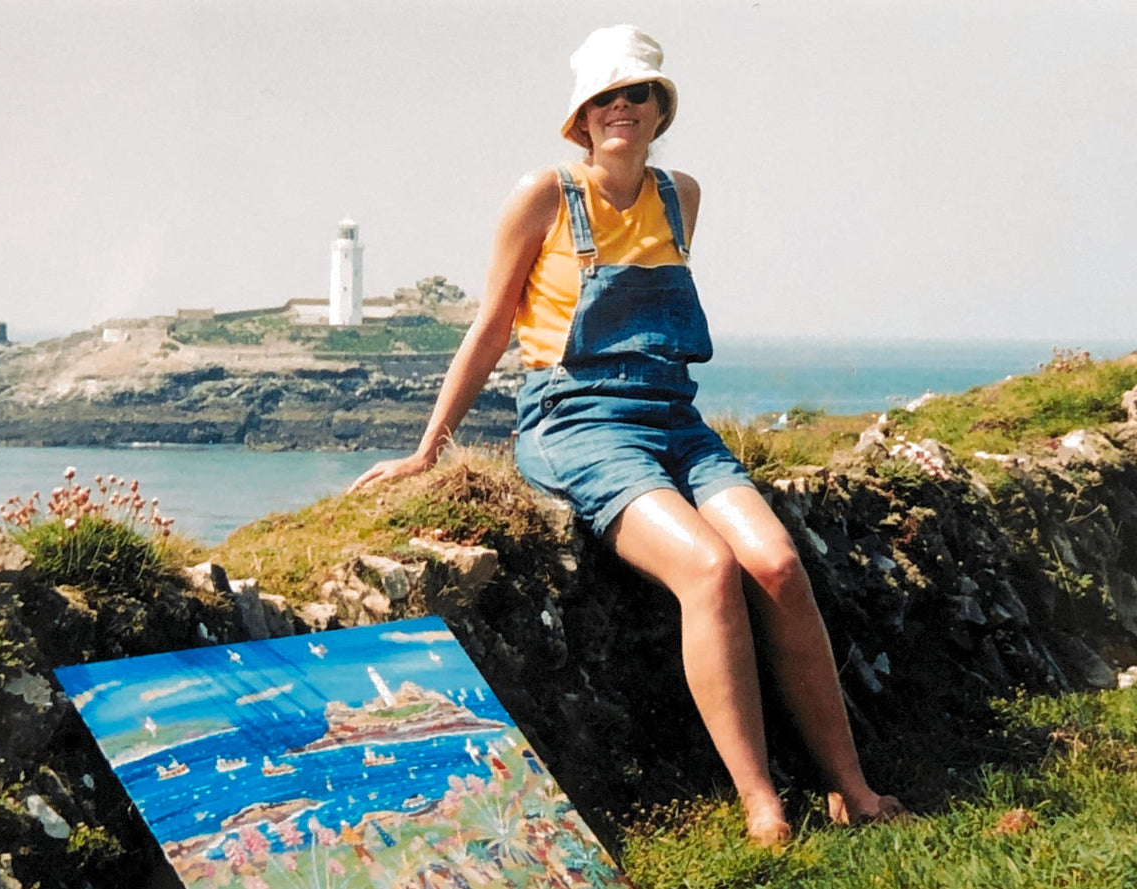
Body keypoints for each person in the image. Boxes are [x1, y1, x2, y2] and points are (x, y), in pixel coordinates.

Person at [348, 24, 902, 845]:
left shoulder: (683, 195)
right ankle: (762, 804)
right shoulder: (543, 193)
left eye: (636, 93)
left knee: (778, 564)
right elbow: (493, 327)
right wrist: (431, 446)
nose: (621, 108)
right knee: (708, 569)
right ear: (581, 115)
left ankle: (851, 786)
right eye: (604, 96)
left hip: (673, 419)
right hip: (572, 422)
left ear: (658, 106)